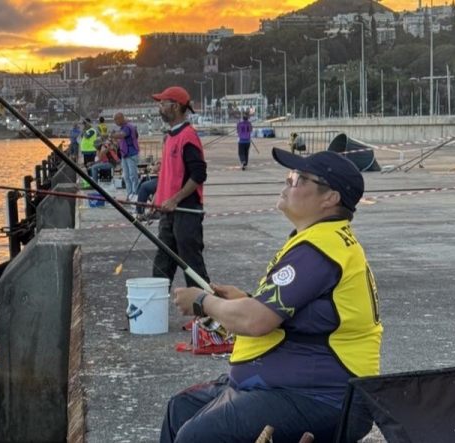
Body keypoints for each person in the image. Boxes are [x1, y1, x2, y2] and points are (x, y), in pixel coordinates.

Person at [162, 148, 382, 443]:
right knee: (180, 409)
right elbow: (292, 311)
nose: (287, 182)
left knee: (197, 437)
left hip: (324, 398)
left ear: (330, 198)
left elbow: (256, 321)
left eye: (299, 178)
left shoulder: (321, 249)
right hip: (293, 388)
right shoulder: (321, 240)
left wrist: (202, 302)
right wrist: (245, 300)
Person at [150, 86, 210, 288]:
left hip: (186, 211)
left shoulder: (188, 136)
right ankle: (153, 315)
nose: (159, 108)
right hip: (168, 213)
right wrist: (157, 199)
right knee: (161, 267)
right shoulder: (170, 137)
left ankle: (205, 316)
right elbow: (169, 175)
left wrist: (175, 199)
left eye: (163, 103)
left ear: (175, 107)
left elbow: (199, 174)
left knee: (192, 268)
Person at [111, 112, 140, 197]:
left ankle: (135, 194)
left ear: (121, 118)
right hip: (124, 155)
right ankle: (129, 194)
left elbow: (121, 136)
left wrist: (112, 135)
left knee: (133, 176)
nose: (115, 122)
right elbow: (121, 141)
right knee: (126, 177)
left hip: (131, 155)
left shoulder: (127, 127)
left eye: (116, 119)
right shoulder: (122, 128)